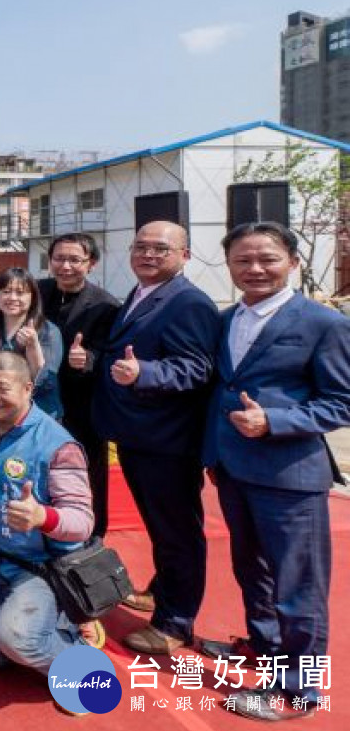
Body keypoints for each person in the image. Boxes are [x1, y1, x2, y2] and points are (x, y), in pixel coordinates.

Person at [200, 223, 350, 721]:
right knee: (252, 571)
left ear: (293, 261)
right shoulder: (227, 319)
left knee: (299, 584)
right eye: (243, 260)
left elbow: (340, 402)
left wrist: (276, 421)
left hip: (290, 475)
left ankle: (298, 693)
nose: (255, 269)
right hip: (233, 469)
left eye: (267, 258)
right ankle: (265, 651)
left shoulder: (322, 323)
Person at [92, 220, 219, 655]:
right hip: (136, 435)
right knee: (160, 527)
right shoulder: (143, 293)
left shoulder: (189, 302)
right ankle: (162, 591)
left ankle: (174, 622)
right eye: (141, 247)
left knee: (177, 532)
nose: (148, 255)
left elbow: (196, 368)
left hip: (167, 442)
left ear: (184, 255)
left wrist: (145, 372)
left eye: (160, 249)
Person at [0, 351, 99, 677]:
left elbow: (83, 522)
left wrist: (43, 517)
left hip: (43, 570)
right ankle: (56, 625)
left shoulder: (57, 444)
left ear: (28, 388)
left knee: (15, 639)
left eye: (3, 387)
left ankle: (86, 671)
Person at [37, 234, 120, 538]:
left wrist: (87, 359)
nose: (66, 266)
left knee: (87, 474)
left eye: (75, 259)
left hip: (81, 407)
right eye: (59, 258)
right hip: (38, 403)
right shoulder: (38, 292)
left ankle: (91, 539)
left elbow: (111, 357)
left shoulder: (106, 306)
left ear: (91, 263)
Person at [0, 267, 63, 419]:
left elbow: (45, 381)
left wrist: (33, 348)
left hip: (39, 415)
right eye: (6, 291)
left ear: (33, 297)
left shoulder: (48, 331)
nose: (12, 298)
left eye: (20, 293)